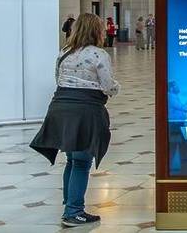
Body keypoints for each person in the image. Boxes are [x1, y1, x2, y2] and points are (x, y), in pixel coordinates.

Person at [29, 12, 119, 227]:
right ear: (97, 31)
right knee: (81, 162)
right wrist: (117, 88)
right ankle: (74, 211)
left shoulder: (64, 52)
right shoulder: (98, 55)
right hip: (85, 111)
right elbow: (107, 86)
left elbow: (57, 78)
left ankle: (69, 205)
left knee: (72, 159)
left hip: (60, 108)